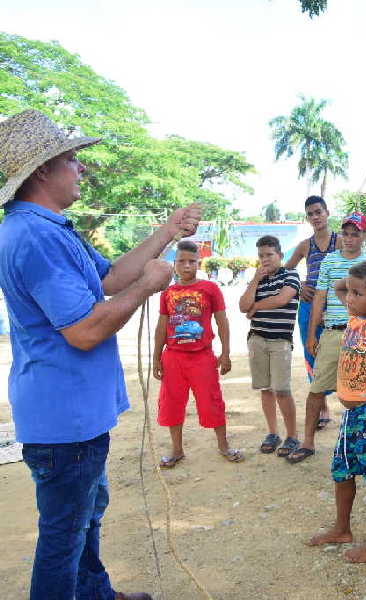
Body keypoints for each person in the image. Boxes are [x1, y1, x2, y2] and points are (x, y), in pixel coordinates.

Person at [0, 109, 200, 600]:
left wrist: (166, 232)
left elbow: (110, 277)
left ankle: (95, 594)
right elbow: (86, 331)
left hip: (72, 413)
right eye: (72, 159)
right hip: (64, 417)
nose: (81, 168)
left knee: (83, 518)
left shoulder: (48, 228)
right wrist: (150, 286)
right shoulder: (36, 237)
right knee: (63, 536)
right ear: (43, 171)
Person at [308, 260, 366, 563]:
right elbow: (340, 287)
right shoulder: (354, 317)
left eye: (357, 294)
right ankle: (341, 528)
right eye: (349, 293)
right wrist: (352, 286)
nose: (348, 298)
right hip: (352, 416)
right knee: (342, 471)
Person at [295, 212, 366, 462]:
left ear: (364, 235)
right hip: (333, 332)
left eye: (356, 234)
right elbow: (319, 297)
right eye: (347, 233)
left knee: (365, 390)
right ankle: (307, 441)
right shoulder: (329, 261)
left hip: (363, 334)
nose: (350, 239)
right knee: (317, 388)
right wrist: (311, 335)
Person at [153, 240, 243, 467]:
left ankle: (224, 446)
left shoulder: (210, 289)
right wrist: (156, 358)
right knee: (172, 403)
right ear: (174, 264)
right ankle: (176, 450)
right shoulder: (168, 293)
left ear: (198, 263)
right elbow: (162, 327)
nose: (186, 266)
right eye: (181, 261)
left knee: (211, 401)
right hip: (173, 357)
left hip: (202, 357)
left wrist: (226, 353)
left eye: (191, 262)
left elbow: (222, 321)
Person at [239, 235, 301, 458]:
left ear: (280, 255)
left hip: (280, 341)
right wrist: (255, 279)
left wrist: (255, 307)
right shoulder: (259, 279)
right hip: (257, 339)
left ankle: (292, 435)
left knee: (282, 390)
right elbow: (242, 306)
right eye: (261, 256)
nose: (265, 260)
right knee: (265, 389)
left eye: (269, 255)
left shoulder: (290, 275)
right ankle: (272, 433)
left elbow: (283, 299)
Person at [284, 195, 340, 429]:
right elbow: (285, 271)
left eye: (319, 212)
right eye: (311, 214)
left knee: (341, 355)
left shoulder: (341, 241)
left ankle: (350, 404)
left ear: (327, 212)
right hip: (309, 307)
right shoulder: (305, 245)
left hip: (337, 307)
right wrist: (299, 288)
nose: (315, 217)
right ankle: (322, 407)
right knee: (312, 354)